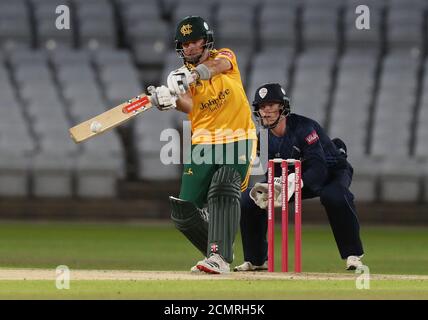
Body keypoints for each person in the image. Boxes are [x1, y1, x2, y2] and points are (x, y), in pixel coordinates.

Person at [149, 16, 257, 274]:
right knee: (184, 212)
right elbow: (188, 104)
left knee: (223, 184)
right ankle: (215, 250)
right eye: (184, 44)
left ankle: (219, 259)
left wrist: (194, 74)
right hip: (203, 143)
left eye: (195, 41)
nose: (189, 48)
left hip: (238, 137)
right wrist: (168, 100)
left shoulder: (225, 56)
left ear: (206, 41)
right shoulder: (177, 76)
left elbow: (218, 66)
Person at [234, 83, 365, 272]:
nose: (266, 111)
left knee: (334, 195)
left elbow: (319, 168)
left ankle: (353, 255)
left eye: (271, 105)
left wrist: (294, 183)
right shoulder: (261, 139)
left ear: (283, 107)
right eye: (262, 107)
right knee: (249, 199)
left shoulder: (304, 127)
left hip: (331, 171)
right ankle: (256, 260)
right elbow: (273, 172)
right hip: (294, 178)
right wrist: (271, 189)